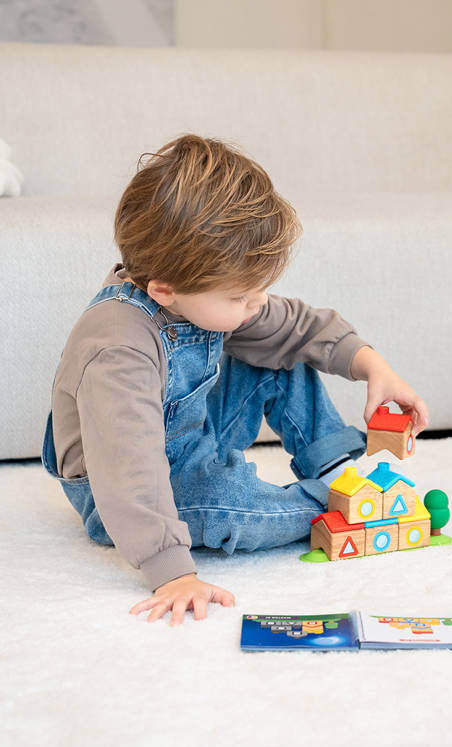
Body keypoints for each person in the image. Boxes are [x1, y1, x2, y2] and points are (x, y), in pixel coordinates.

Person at [41, 134, 428, 627]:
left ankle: (338, 471)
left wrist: (373, 366)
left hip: (187, 436)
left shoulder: (196, 293)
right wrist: (171, 571)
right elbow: (130, 471)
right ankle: (337, 507)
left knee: (277, 356)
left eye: (258, 291)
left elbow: (295, 328)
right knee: (232, 503)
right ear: (165, 290)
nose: (257, 304)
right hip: (122, 493)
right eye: (241, 297)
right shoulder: (118, 350)